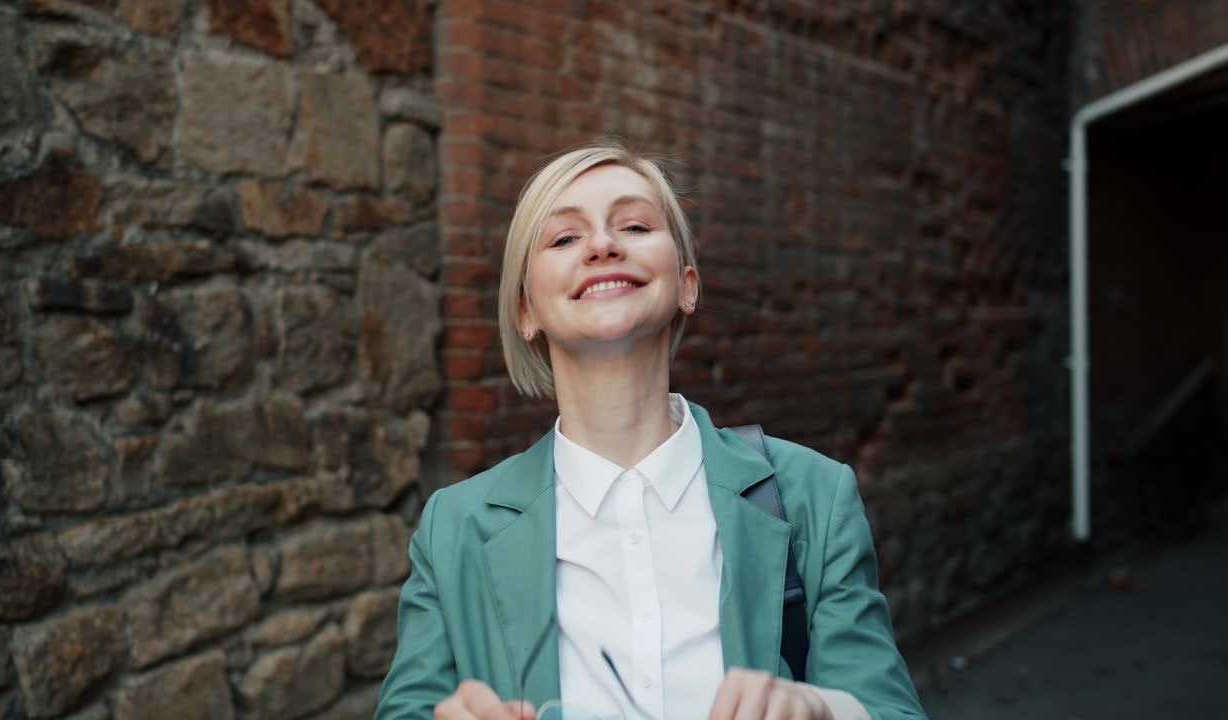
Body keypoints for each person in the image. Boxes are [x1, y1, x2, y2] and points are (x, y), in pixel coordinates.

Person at [373, 142, 927, 720]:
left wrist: (820, 710)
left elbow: (890, 708)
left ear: (687, 284)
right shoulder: (453, 529)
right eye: (564, 238)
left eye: (634, 225)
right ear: (525, 311)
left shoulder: (814, 495)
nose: (602, 245)